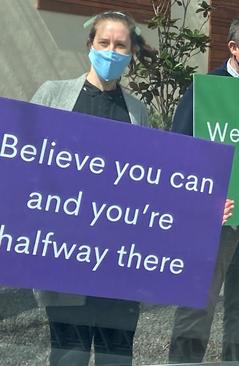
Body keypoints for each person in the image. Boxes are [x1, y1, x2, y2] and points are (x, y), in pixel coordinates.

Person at [29, 11, 153, 366]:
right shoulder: (52, 95)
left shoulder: (136, 110)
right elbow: (24, 168)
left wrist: (204, 206)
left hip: (119, 262)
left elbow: (152, 184)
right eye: (104, 43)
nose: (111, 52)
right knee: (70, 354)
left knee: (117, 357)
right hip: (65, 256)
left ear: (130, 54)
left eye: (120, 46)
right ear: (90, 45)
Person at [168, 13, 239, 363]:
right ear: (234, 48)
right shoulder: (204, 90)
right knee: (198, 300)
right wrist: (203, 202)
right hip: (213, 217)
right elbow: (177, 154)